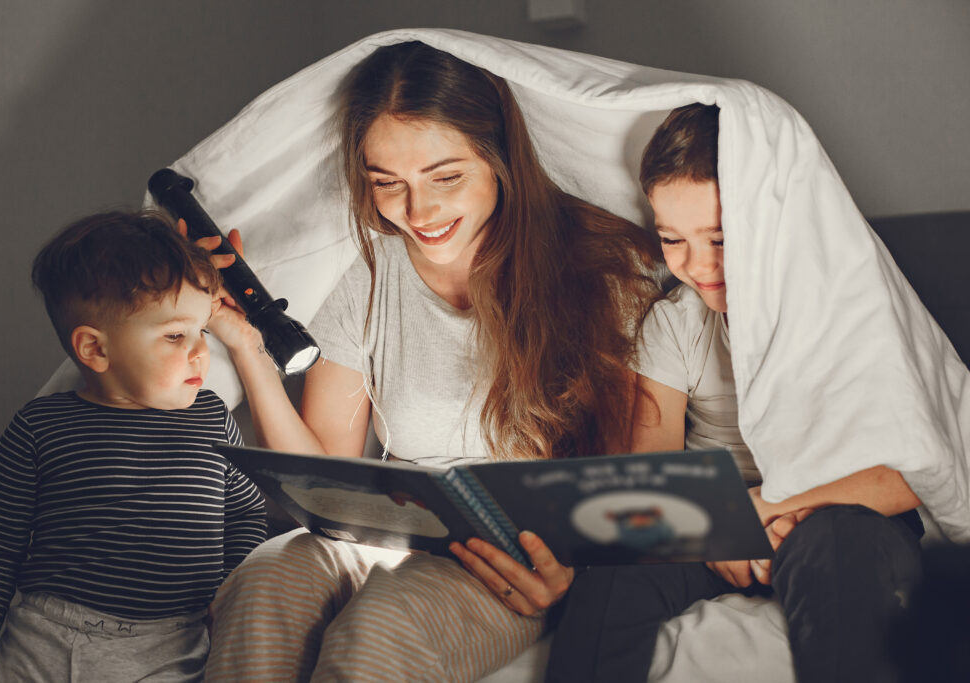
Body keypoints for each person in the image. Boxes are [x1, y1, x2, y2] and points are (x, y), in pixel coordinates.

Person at [201, 41, 660, 681]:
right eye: (388, 183)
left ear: (499, 160)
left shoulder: (604, 267)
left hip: (513, 551)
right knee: (266, 578)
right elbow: (329, 478)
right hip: (394, 529)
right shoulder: (367, 268)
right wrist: (246, 346)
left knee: (383, 625)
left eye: (446, 177)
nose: (418, 213)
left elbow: (635, 473)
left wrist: (573, 570)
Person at [544, 104, 925, 683]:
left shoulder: (849, 308)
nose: (698, 266)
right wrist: (716, 526)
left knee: (838, 545)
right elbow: (650, 475)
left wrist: (765, 510)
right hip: (712, 516)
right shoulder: (676, 322)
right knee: (617, 566)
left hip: (844, 510)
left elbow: (912, 474)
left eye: (720, 238)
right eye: (673, 239)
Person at [0, 211, 267, 683]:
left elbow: (245, 513)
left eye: (202, 331)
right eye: (176, 335)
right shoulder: (41, 427)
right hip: (48, 636)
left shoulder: (211, 420)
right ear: (95, 349)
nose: (200, 352)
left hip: (173, 644)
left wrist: (230, 591)